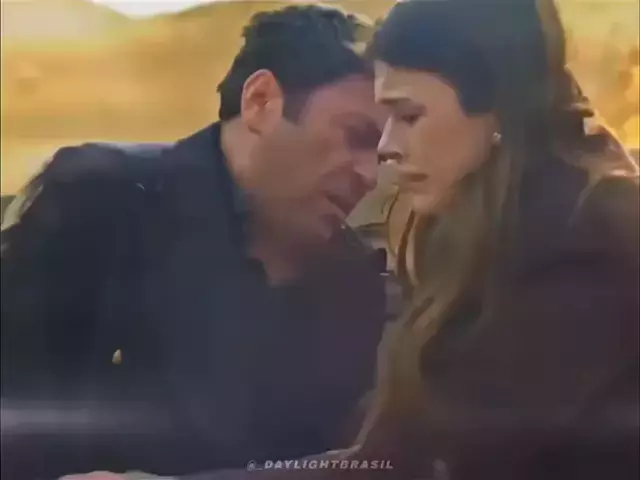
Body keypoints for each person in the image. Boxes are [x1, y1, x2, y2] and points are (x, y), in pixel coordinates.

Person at [113, 0, 638, 479]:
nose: (388, 148)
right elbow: (388, 457)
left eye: (409, 116)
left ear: (499, 106)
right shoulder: (485, 224)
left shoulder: (583, 239)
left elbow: (429, 467)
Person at [0, 5, 389, 479]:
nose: (370, 175)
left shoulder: (353, 281)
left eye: (382, 153)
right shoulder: (101, 198)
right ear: (261, 101)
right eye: (356, 136)